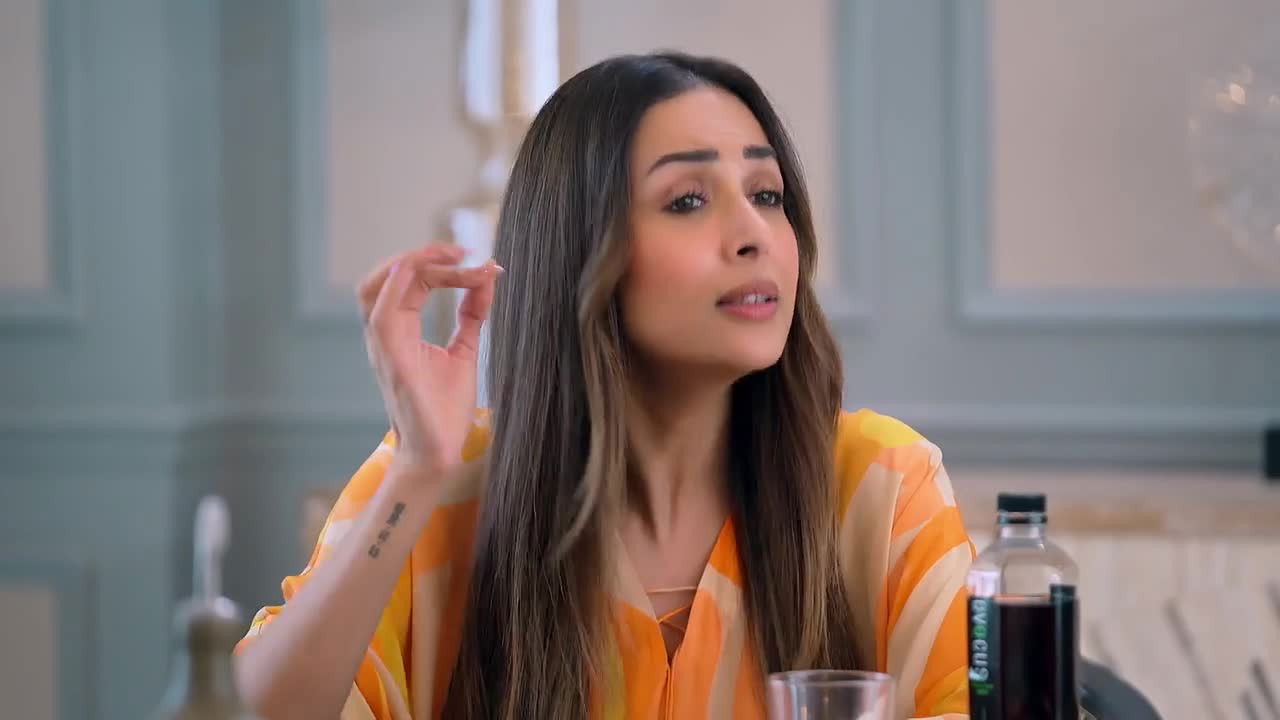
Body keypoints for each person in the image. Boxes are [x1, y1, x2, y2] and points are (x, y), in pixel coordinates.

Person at [234, 52, 974, 720]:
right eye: (688, 200)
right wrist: (417, 469)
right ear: (582, 251)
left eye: (767, 194)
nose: (754, 234)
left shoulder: (883, 486)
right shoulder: (436, 488)